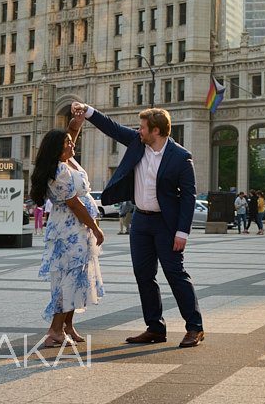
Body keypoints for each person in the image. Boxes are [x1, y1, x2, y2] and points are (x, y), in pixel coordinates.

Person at [72, 102, 204, 348]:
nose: (138, 130)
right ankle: (155, 328)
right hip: (141, 221)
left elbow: (189, 197)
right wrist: (87, 110)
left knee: (175, 274)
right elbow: (111, 128)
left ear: (156, 131)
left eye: (143, 127)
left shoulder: (181, 157)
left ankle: (194, 327)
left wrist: (182, 232)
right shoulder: (136, 143)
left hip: (166, 224)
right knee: (144, 275)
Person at [30, 118, 104, 347]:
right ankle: (55, 330)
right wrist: (95, 227)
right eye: (68, 143)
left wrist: (77, 122)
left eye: (72, 142)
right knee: (68, 278)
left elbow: (70, 134)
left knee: (78, 276)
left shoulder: (67, 160)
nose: (73, 145)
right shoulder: (59, 170)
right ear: (58, 148)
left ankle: (67, 326)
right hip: (69, 230)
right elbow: (74, 204)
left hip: (77, 230)